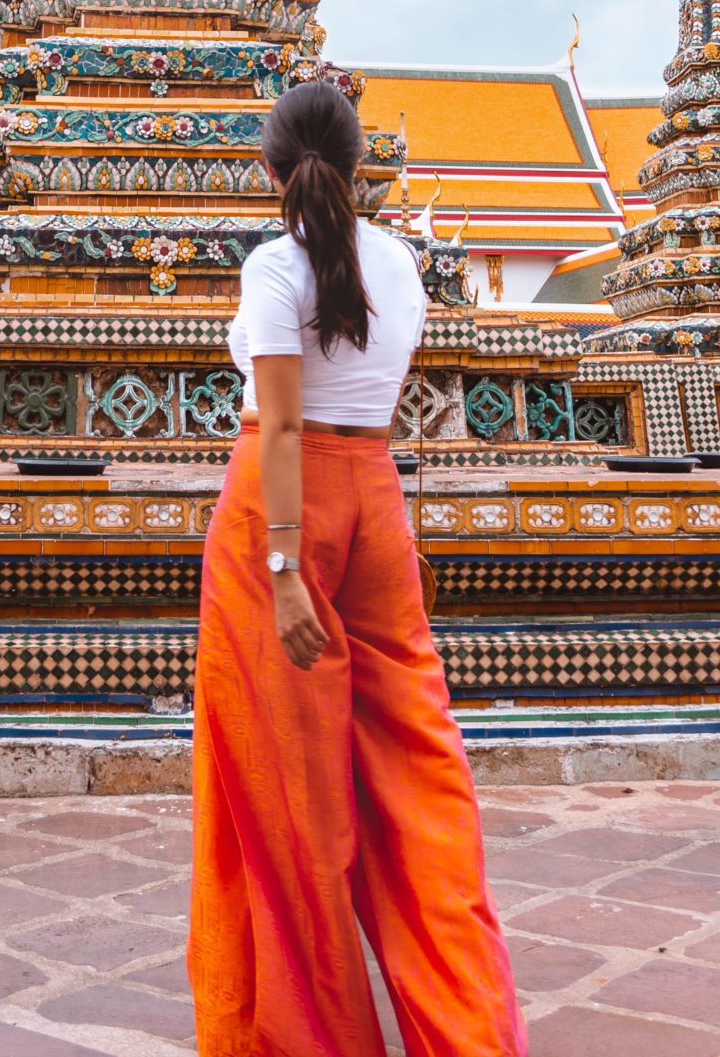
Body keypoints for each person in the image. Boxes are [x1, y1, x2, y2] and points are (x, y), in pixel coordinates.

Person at [188, 80, 526, 1057]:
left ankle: (307, 1038)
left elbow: (286, 424)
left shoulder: (271, 267)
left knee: (282, 791)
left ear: (269, 168)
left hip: (280, 512)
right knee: (417, 769)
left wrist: (286, 564)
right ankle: (467, 1030)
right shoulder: (403, 264)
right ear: (363, 163)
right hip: (377, 504)